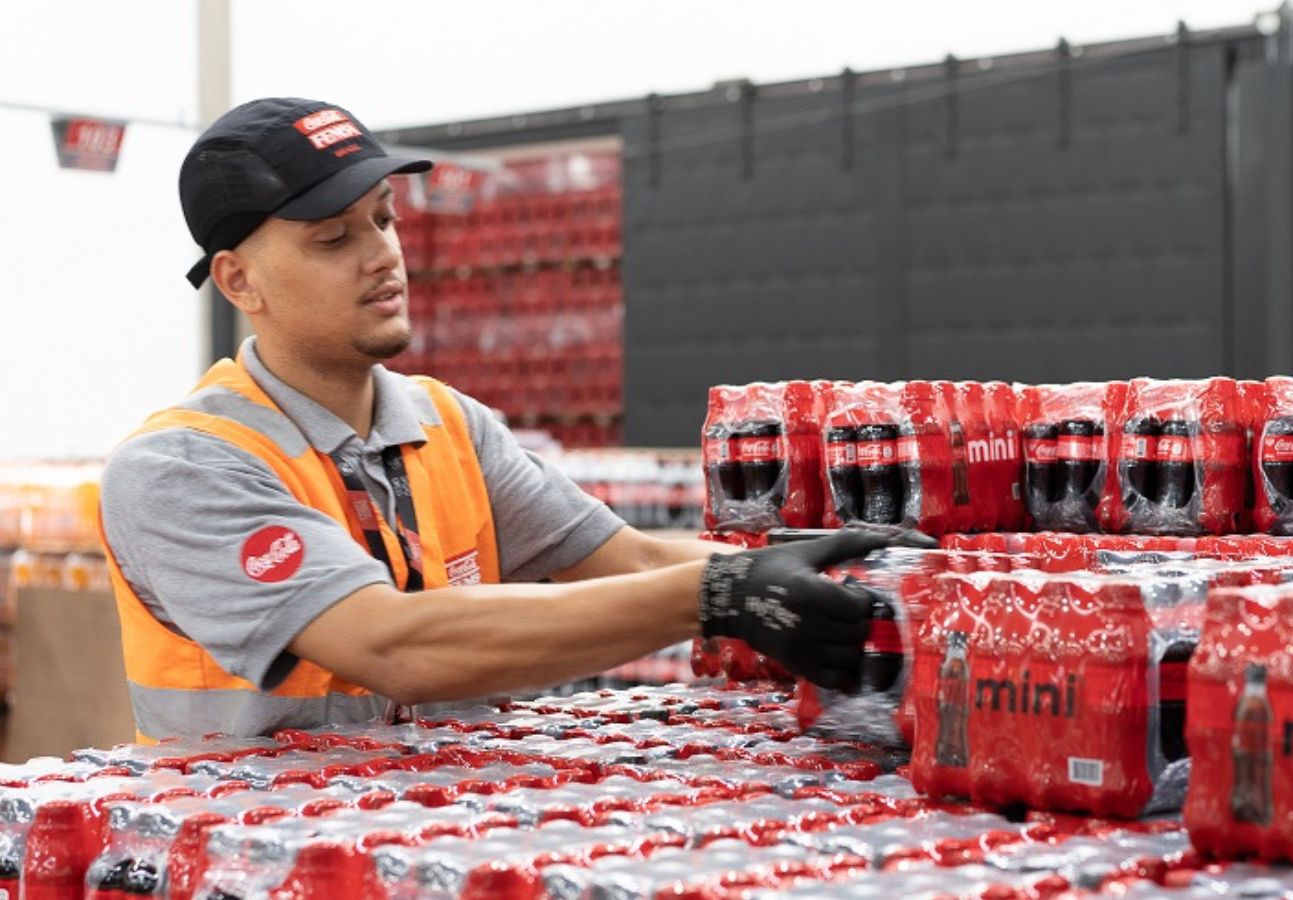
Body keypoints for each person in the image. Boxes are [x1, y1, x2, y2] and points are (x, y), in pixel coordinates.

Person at [97, 97, 907, 742]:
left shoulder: (448, 425)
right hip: (255, 864)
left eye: (384, 219)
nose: (382, 255)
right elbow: (390, 645)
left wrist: (850, 575)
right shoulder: (182, 468)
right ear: (239, 282)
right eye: (333, 238)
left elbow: (628, 558)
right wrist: (723, 589)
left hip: (444, 852)